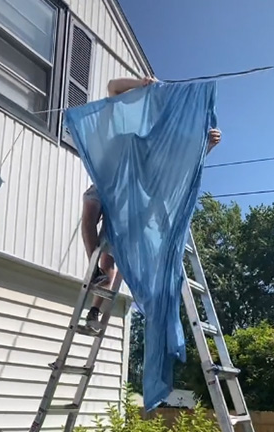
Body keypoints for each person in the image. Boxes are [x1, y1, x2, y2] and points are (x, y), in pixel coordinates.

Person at [82, 76, 221, 332]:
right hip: (106, 185)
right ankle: (94, 274)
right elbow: (113, 86)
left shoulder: (155, 148)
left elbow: (180, 168)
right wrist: (141, 83)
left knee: (112, 258)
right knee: (90, 210)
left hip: (127, 201)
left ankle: (94, 311)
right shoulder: (121, 130)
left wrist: (206, 147)